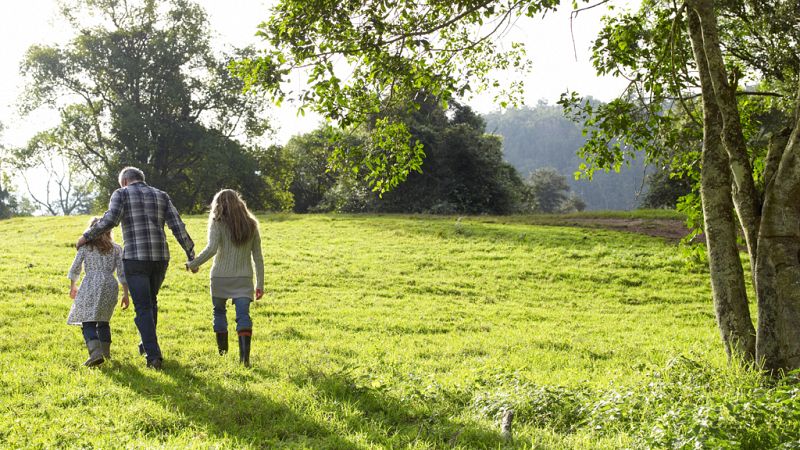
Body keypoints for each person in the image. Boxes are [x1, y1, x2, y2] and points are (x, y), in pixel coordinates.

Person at [77, 167, 195, 370]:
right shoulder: (161, 195)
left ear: (124, 181)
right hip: (160, 258)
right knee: (151, 302)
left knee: (143, 306)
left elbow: (111, 219)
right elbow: (177, 225)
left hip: (135, 258)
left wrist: (87, 236)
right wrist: (190, 254)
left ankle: (153, 355)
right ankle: (146, 345)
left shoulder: (121, 193)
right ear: (141, 179)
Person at [186, 189, 264, 367]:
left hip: (220, 276)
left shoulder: (217, 222)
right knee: (243, 315)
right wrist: (260, 284)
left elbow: (212, 249)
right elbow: (258, 257)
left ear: (218, 204)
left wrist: (193, 263)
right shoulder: (251, 224)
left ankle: (223, 354)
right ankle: (244, 359)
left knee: (219, 312)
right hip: (244, 278)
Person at [68, 217, 130, 367]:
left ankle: (95, 353)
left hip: (91, 283)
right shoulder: (116, 248)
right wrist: (126, 294)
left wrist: (73, 286)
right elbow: (122, 273)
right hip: (110, 284)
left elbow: (76, 267)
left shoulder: (86, 247)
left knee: (87, 320)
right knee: (103, 320)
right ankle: (105, 354)